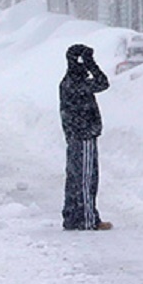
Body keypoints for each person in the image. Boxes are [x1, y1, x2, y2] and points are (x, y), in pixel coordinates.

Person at [59, 43, 112, 231]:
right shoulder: (77, 83)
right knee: (86, 179)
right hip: (84, 135)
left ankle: (72, 217)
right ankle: (88, 220)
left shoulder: (68, 81)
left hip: (75, 136)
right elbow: (103, 83)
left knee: (75, 178)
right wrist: (92, 64)